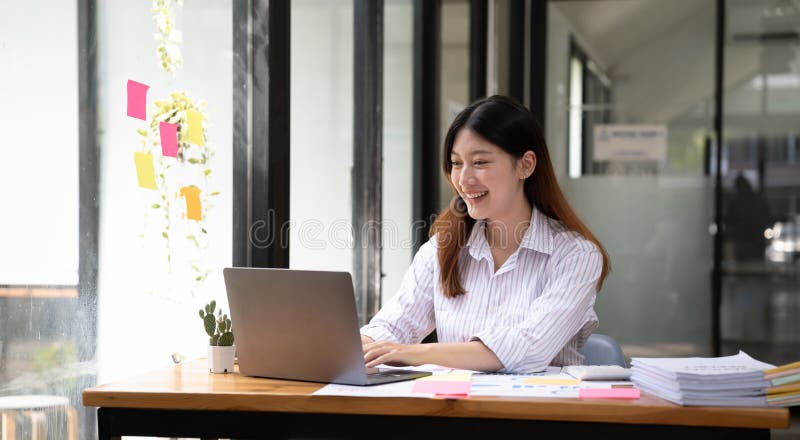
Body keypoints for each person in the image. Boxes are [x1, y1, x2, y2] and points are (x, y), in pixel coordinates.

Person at [360, 95, 611, 373]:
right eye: (456, 163)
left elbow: (529, 349)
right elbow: (395, 325)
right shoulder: (443, 248)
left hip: (540, 412)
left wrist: (417, 353)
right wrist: (361, 344)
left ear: (525, 165)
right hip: (452, 410)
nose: (464, 179)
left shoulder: (576, 254)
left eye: (480, 162)